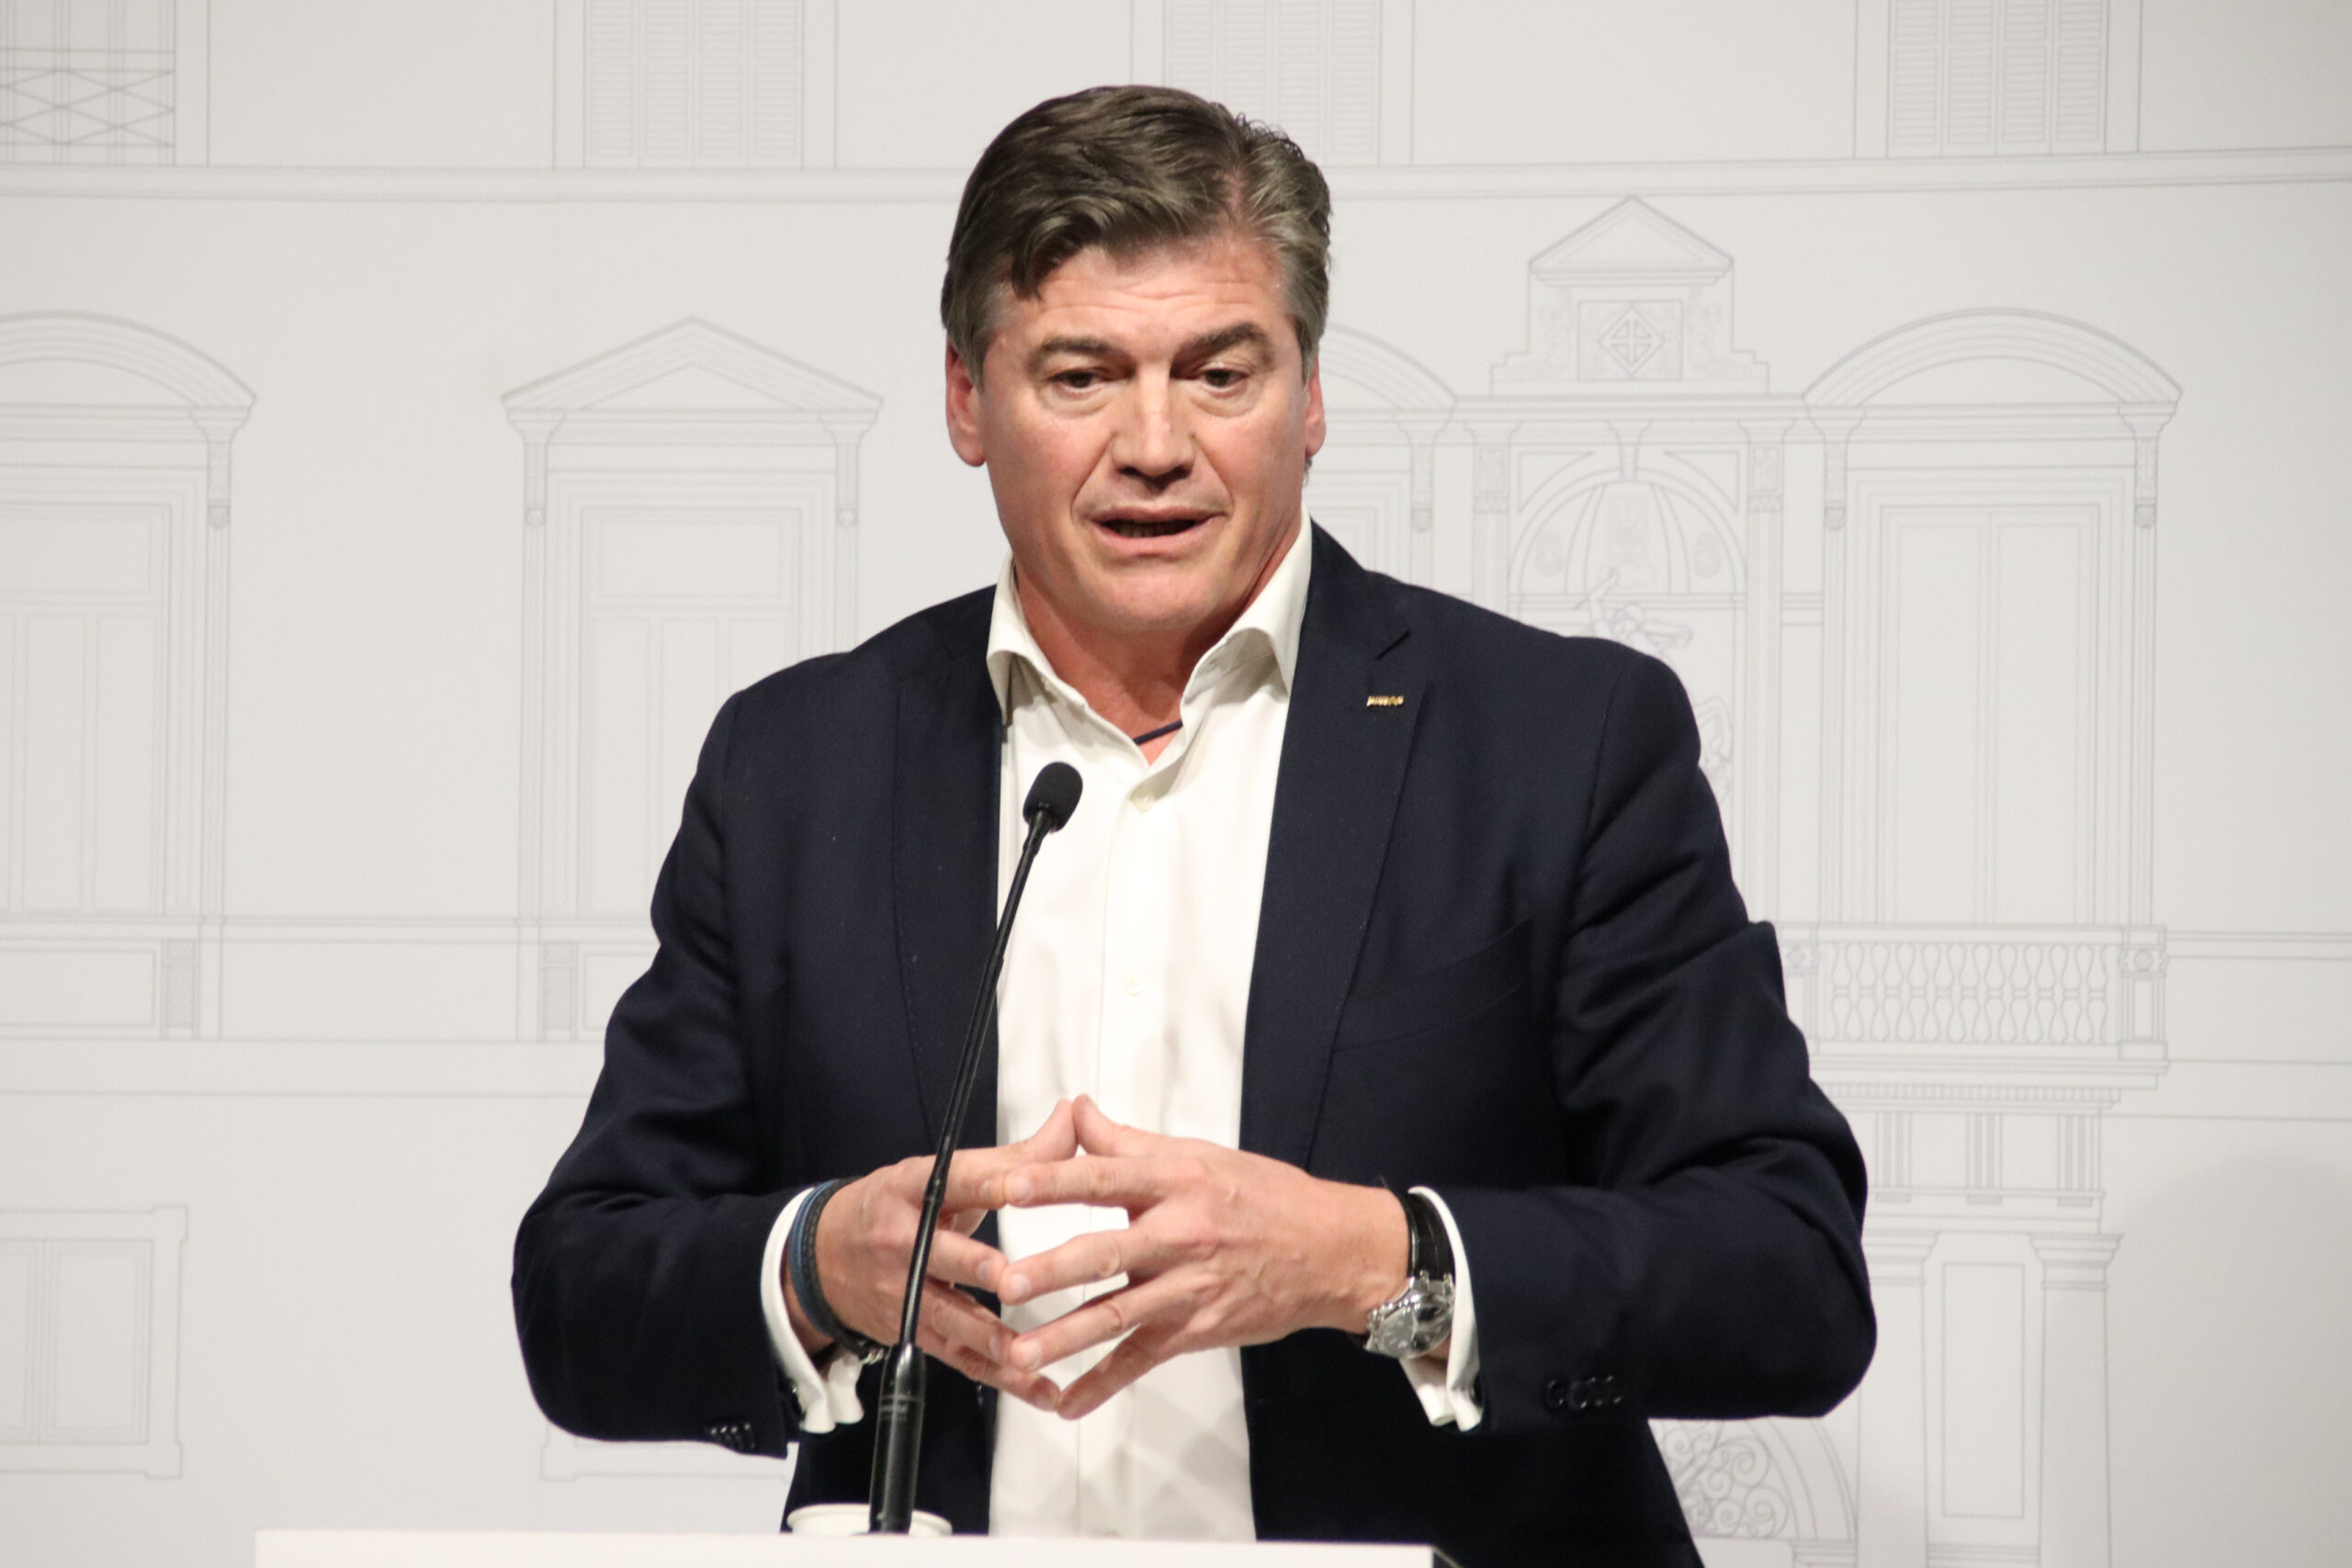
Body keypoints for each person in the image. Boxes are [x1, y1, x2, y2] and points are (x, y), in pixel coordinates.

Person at [513, 85, 1872, 1565]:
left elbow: (1787, 1271)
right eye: (1080, 377)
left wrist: (1375, 1260)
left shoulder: (1558, 743)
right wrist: (815, 1267)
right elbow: (583, 1293)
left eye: (1220, 374)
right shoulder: (801, 766)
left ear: (1311, 396)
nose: (1154, 445)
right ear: (967, 400)